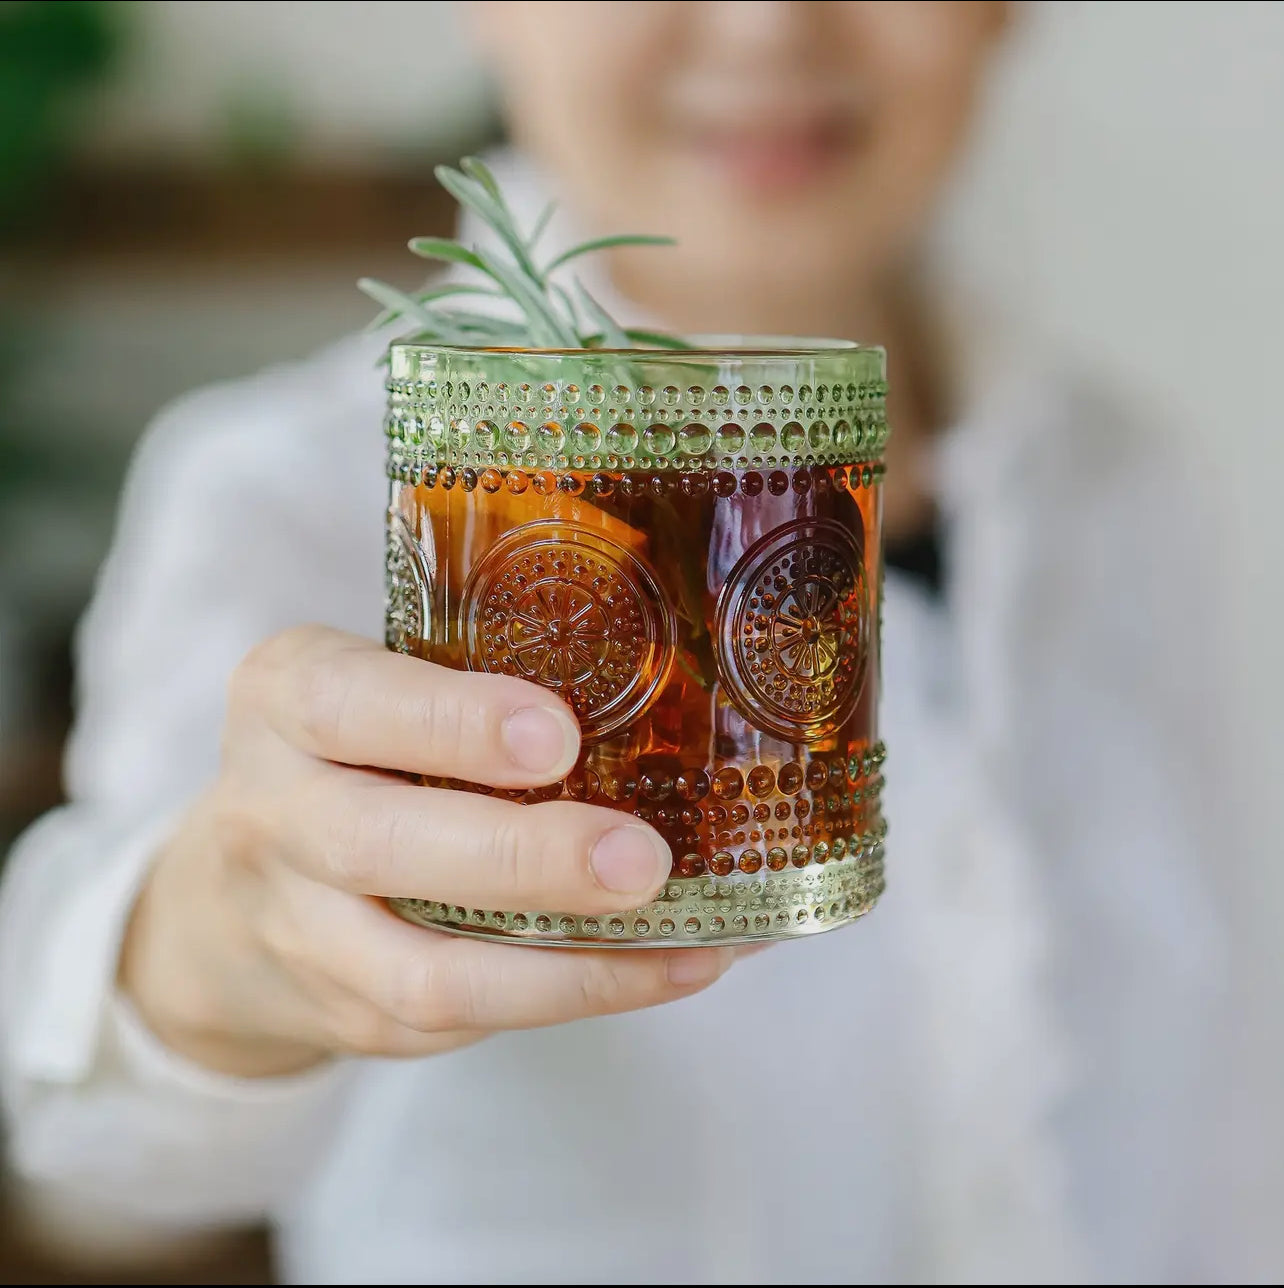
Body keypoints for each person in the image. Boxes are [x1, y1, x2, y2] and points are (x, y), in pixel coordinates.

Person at [0, 2, 1243, 1282]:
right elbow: (101, 1170)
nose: (767, 29)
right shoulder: (302, 490)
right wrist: (212, 956)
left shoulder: (1134, 486)